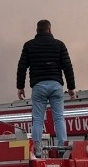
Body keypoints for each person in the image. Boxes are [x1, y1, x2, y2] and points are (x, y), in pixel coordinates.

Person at [16, 20, 76, 157]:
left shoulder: (29, 45)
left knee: (37, 119)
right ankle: (62, 149)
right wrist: (71, 87)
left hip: (39, 86)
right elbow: (67, 66)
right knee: (59, 118)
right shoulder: (59, 45)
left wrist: (20, 87)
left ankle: (37, 149)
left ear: (37, 30)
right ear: (50, 29)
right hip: (56, 85)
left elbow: (22, 67)